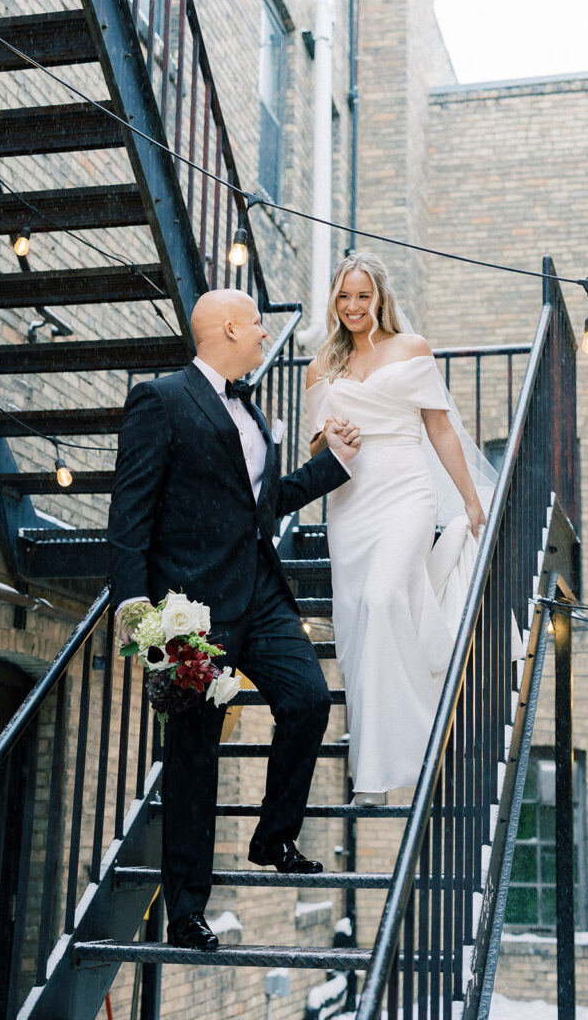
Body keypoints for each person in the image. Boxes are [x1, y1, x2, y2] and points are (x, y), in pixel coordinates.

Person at [108, 288, 360, 950]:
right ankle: (186, 910)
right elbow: (130, 512)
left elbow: (264, 501)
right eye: (253, 324)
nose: (260, 334)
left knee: (307, 700)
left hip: (261, 592)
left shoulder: (254, 412)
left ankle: (273, 836)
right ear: (226, 328)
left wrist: (332, 465)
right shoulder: (160, 400)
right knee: (193, 757)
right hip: (190, 613)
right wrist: (137, 608)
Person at [306, 252, 495, 806]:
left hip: (406, 488)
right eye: (344, 297)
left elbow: (439, 429)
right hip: (350, 499)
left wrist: (468, 500)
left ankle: (419, 739)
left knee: (387, 596)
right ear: (334, 302)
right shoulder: (322, 366)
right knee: (360, 620)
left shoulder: (410, 350)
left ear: (380, 298)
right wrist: (331, 433)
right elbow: (314, 447)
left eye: (363, 296)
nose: (354, 307)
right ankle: (375, 763)